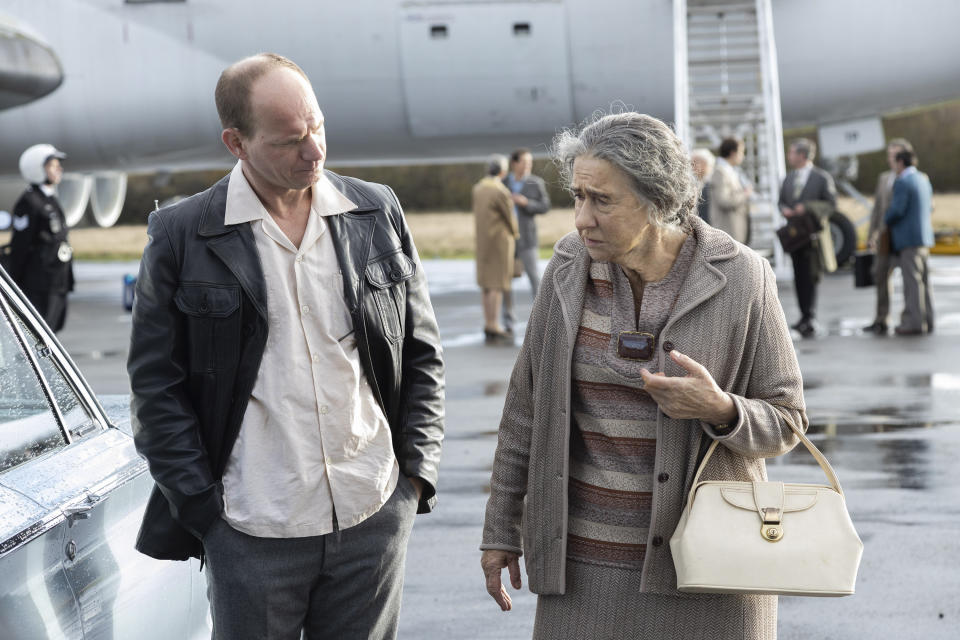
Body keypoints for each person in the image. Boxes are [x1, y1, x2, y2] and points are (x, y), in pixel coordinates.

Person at [127, 53, 445, 640]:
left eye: (318, 126)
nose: (315, 151)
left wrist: (414, 479)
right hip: (251, 530)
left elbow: (421, 354)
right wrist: (204, 509)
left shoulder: (376, 211)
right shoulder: (182, 234)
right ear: (236, 142)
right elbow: (155, 387)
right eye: (290, 140)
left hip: (371, 514)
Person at [480, 112, 806, 639]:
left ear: (657, 200)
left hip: (710, 574)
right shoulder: (566, 267)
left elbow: (788, 420)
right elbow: (523, 411)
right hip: (581, 575)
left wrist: (720, 410)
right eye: (578, 197)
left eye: (601, 200)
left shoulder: (742, 276)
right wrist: (500, 530)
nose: (582, 218)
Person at [5, 144, 74, 332]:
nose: (59, 169)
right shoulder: (29, 202)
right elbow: (20, 246)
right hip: (39, 284)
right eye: (52, 165)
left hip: (56, 282)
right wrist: (15, 285)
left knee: (53, 331)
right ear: (38, 169)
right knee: (39, 333)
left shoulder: (51, 199)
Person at [778, 137, 837, 338]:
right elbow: (781, 202)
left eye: (792, 152)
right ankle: (804, 315)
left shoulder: (821, 178)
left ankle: (810, 316)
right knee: (799, 276)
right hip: (795, 236)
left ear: (802, 155)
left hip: (812, 236)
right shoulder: (788, 178)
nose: (789, 156)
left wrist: (808, 207)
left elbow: (831, 205)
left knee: (811, 276)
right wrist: (784, 210)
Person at [863, 138, 914, 334]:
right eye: (889, 155)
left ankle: (910, 317)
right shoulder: (884, 178)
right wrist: (871, 234)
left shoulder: (914, 177)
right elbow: (877, 209)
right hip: (885, 238)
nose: (891, 159)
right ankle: (881, 318)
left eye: (895, 155)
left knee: (910, 280)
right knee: (880, 274)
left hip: (903, 238)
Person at [885, 149, 934, 335]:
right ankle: (928, 319)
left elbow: (897, 210)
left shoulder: (903, 182)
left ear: (900, 163)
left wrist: (885, 219)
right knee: (924, 282)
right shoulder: (923, 179)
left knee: (912, 283)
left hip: (908, 240)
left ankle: (914, 322)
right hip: (924, 238)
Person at [502, 148, 551, 334]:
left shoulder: (535, 182)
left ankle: (541, 321)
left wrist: (526, 203)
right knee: (505, 281)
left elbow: (545, 206)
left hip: (527, 238)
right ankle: (508, 321)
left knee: (534, 279)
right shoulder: (503, 182)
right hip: (506, 238)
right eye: (525, 162)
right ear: (514, 163)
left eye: (530, 162)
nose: (528, 166)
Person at [474, 155, 519, 345]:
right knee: (497, 284)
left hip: (483, 240)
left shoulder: (478, 188)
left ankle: (488, 322)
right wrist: (515, 234)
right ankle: (494, 325)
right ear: (502, 171)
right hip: (499, 242)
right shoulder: (500, 191)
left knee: (486, 284)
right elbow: (509, 217)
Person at [709, 137, 753, 244]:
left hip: (734, 231)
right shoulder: (720, 172)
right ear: (733, 153)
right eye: (741, 152)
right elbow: (724, 200)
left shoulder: (729, 171)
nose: (743, 156)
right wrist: (745, 194)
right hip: (728, 231)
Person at [690, 148, 715, 225]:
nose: (692, 166)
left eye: (695, 162)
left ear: (706, 164)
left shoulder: (713, 182)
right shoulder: (694, 183)